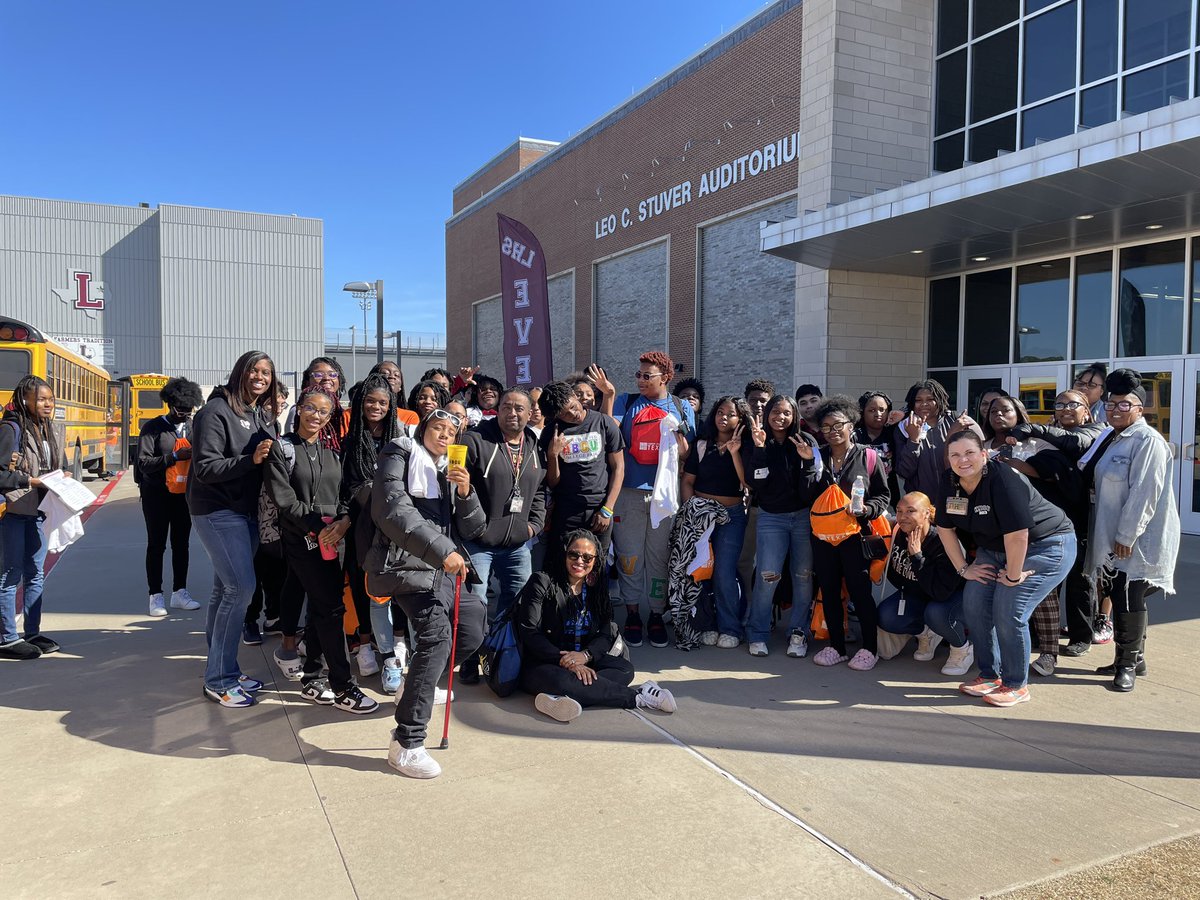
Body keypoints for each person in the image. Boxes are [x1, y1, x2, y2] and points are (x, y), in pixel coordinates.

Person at [368, 407, 486, 779]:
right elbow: (393, 511)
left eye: (451, 431)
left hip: (445, 565)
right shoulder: (399, 453)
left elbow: (475, 526)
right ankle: (407, 742)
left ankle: (417, 680)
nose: (444, 435)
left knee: (472, 627)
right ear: (423, 430)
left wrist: (465, 492)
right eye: (438, 428)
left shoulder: (448, 471)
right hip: (405, 565)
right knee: (436, 638)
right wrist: (442, 551)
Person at [936, 430, 1077, 708]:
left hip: (1046, 544)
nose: (962, 460)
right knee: (974, 602)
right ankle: (989, 675)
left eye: (969, 453)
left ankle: (1016, 684)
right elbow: (944, 528)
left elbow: (1018, 535)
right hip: (994, 549)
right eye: (955, 455)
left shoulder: (1003, 479)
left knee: (1009, 607)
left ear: (984, 454)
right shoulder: (949, 481)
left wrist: (1014, 575)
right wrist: (964, 569)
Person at [264, 386, 377, 714]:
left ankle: (312, 677)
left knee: (321, 608)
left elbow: (344, 493)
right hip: (303, 540)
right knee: (330, 610)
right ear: (299, 408)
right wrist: (319, 527)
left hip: (335, 540)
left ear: (330, 417)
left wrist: (342, 521)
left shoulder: (334, 450)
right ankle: (343, 686)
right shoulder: (282, 449)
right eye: (310, 408)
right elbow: (284, 501)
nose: (316, 416)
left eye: (323, 412)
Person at [189, 351, 279, 708]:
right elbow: (205, 468)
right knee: (240, 589)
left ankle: (222, 665)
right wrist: (251, 459)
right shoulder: (215, 412)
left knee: (222, 590)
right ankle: (219, 679)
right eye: (255, 370)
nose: (261, 377)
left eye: (267, 373)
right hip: (218, 510)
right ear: (240, 372)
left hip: (248, 511)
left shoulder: (258, 414)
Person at [514, 529, 677, 721]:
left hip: (583, 658)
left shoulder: (596, 588)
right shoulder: (542, 581)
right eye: (573, 554)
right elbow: (529, 631)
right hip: (546, 662)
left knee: (624, 669)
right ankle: (639, 697)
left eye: (587, 557)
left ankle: (564, 697)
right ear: (564, 554)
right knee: (560, 679)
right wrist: (567, 661)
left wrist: (585, 655)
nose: (579, 561)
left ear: (595, 560)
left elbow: (606, 632)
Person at [1085, 369, 1179, 692]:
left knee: (1128, 596)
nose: (1114, 410)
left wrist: (1127, 535)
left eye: (1123, 405)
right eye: (1110, 405)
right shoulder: (1113, 437)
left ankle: (1126, 666)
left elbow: (1145, 492)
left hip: (1136, 539)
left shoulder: (1148, 441)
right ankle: (1133, 657)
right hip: (1113, 537)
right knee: (1121, 594)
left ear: (1140, 408)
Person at [984, 394, 1079, 677]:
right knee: (1001, 593)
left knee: (1043, 594)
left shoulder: (1038, 444)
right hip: (997, 531)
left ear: (1019, 414)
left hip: (1038, 530)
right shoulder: (983, 447)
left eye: (1005, 410)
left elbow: (1055, 477)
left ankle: (1049, 653)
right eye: (992, 412)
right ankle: (1003, 653)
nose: (998, 415)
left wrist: (1013, 465)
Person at [1009, 389, 1107, 653]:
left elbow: (1075, 443)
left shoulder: (1098, 430)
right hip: (1049, 515)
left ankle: (1081, 637)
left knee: (1080, 579)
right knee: (1047, 581)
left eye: (1073, 404)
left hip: (1080, 515)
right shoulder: (1048, 435)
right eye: (1060, 404)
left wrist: (1033, 429)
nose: (1065, 408)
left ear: (1087, 410)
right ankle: (1042, 635)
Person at [458, 387, 545, 682]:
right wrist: (476, 526)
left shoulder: (534, 445)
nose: (513, 413)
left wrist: (533, 525)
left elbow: (542, 489)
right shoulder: (476, 439)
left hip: (518, 543)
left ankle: (499, 655)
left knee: (515, 603)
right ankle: (470, 658)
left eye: (520, 408)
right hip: (478, 542)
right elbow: (455, 485)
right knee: (476, 605)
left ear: (530, 412)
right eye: (507, 406)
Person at [611, 350, 697, 648]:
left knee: (659, 558)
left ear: (666, 378)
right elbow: (611, 435)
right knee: (630, 557)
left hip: (664, 496)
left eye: (647, 376)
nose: (641, 381)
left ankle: (657, 614)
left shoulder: (681, 406)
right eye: (638, 375)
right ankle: (633, 613)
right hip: (628, 493)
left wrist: (676, 433)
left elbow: (686, 453)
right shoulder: (627, 402)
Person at [809, 396, 890, 670]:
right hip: (822, 538)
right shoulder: (817, 455)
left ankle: (870, 648)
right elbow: (805, 494)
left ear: (851, 424)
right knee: (829, 590)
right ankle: (837, 646)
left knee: (860, 591)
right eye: (826, 427)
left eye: (838, 425)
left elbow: (884, 495)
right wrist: (809, 466)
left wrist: (867, 509)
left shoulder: (868, 456)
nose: (833, 431)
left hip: (855, 537)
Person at [342, 374, 406, 690]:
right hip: (365, 525)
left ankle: (398, 645)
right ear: (360, 403)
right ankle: (374, 650)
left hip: (398, 525)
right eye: (370, 401)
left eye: (382, 402)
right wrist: (377, 497)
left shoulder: (400, 438)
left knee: (401, 588)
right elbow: (350, 485)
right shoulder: (352, 440)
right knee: (369, 589)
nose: (376, 407)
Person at [0, 376, 66, 660]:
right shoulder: (11, 428)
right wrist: (31, 480)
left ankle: (32, 632)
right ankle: (6, 638)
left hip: (37, 511)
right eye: (40, 399)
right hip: (13, 512)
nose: (47, 404)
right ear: (24, 400)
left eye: (50, 399)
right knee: (10, 574)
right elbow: (2, 474)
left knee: (35, 574)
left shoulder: (46, 429)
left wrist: (61, 478)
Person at [875, 493, 973, 675]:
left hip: (950, 597)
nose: (902, 517)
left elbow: (941, 592)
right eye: (899, 511)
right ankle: (926, 633)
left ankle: (962, 647)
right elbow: (897, 576)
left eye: (910, 511)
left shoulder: (943, 540)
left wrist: (918, 557)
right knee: (886, 615)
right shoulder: (898, 532)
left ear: (927, 514)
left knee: (935, 613)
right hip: (918, 593)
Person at [680, 396, 750, 647]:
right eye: (720, 412)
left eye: (730, 414)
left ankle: (730, 628)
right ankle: (706, 625)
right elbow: (687, 481)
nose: (723, 417)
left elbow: (747, 483)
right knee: (700, 571)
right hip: (700, 514)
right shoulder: (701, 444)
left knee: (724, 572)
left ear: (741, 419)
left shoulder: (746, 446)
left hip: (731, 517)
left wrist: (734, 453)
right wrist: (692, 510)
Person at [137, 377, 204, 618]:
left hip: (184, 495)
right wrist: (174, 457)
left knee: (181, 544)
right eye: (180, 409)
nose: (185, 414)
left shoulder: (195, 426)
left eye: (189, 410)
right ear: (169, 404)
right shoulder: (153, 428)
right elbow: (143, 463)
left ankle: (180, 592)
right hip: (156, 494)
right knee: (156, 544)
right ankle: (155, 595)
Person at [538, 381, 624, 570]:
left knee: (596, 568)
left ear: (575, 396)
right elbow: (552, 482)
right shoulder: (551, 432)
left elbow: (618, 468)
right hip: (567, 511)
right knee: (563, 566)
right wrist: (552, 455)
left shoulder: (603, 422)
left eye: (573, 407)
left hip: (600, 509)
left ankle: (595, 601)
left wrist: (607, 509)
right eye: (564, 414)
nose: (573, 414)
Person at [896, 379, 981, 500]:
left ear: (939, 400)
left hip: (958, 498)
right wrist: (913, 441)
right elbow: (904, 472)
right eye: (918, 400)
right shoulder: (903, 428)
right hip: (923, 503)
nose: (924, 404)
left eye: (930, 399)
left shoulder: (957, 421)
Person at [854, 390, 902, 507]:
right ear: (862, 412)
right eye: (872, 410)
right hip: (862, 492)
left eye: (882, 410)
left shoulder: (893, 433)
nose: (878, 414)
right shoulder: (855, 436)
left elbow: (913, 411)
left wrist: (902, 415)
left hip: (889, 491)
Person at [370, 361, 421, 433]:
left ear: (400, 387)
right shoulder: (350, 415)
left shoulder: (410, 416)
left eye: (396, 375)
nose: (392, 376)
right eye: (385, 373)